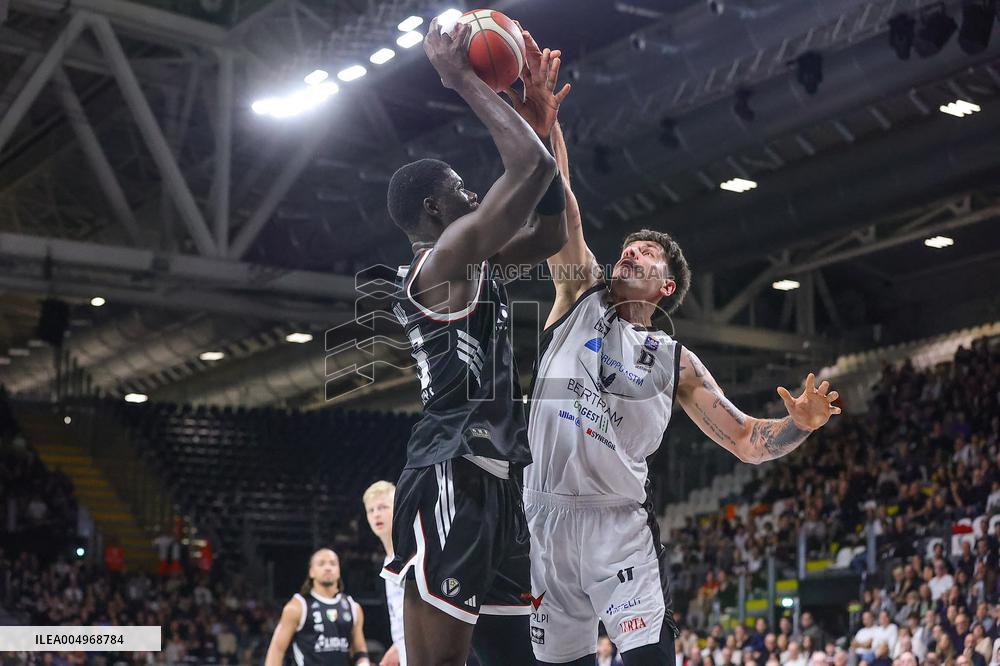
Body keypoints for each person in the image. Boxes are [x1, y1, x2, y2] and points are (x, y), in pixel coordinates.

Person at [519, 32, 841, 662]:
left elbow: (748, 441)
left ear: (665, 285)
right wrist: (543, 128)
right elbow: (562, 205)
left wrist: (798, 426)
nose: (629, 250)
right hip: (544, 520)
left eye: (646, 251)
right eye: (628, 245)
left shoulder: (675, 362)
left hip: (617, 527)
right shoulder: (577, 294)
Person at [381, 18, 569, 666]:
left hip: (497, 478)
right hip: (449, 469)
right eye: (462, 188)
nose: (472, 193)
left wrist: (539, 125)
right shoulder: (442, 262)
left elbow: (547, 236)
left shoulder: (476, 263)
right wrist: (460, 77)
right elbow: (530, 169)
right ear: (435, 210)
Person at [264, 548, 369, 666]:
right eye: (321, 564)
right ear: (311, 572)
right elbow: (277, 649)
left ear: (339, 570)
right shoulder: (297, 606)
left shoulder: (353, 607)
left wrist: (363, 663)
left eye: (333, 563)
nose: (328, 567)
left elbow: (359, 650)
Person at [363, 481, 405, 666]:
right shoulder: (388, 562)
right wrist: (398, 647)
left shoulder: (413, 554)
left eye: (382, 507)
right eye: (371, 510)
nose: (376, 514)